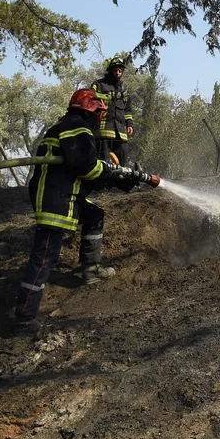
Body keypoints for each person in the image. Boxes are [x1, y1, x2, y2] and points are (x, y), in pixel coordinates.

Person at [15, 89, 141, 334]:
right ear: (90, 111)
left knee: (94, 215)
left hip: (65, 196)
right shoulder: (77, 127)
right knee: (43, 260)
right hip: (56, 201)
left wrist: (119, 179)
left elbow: (88, 171)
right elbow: (87, 167)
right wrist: (112, 174)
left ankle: (90, 271)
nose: (99, 121)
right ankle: (23, 319)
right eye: (98, 114)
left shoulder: (69, 127)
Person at [91, 53, 135, 167]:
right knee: (103, 164)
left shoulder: (124, 90)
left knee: (122, 161)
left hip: (121, 133)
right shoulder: (99, 85)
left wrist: (129, 124)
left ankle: (119, 182)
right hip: (103, 130)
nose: (118, 73)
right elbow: (90, 104)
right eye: (115, 70)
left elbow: (127, 109)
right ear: (110, 70)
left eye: (120, 70)